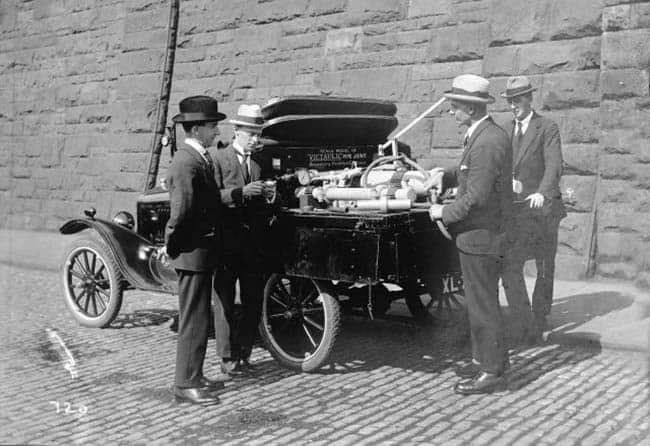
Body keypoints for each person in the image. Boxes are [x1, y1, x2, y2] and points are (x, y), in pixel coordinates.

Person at [428, 74, 512, 395]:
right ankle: (493, 363)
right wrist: (446, 174)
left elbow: (477, 197)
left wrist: (442, 212)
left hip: (481, 238)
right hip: (482, 237)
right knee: (483, 303)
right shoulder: (485, 134)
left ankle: (491, 372)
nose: (451, 111)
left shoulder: (487, 141)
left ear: (472, 108)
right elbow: (471, 171)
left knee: (482, 307)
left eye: (455, 106)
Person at [164, 95, 227, 405]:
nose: (217, 131)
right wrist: (171, 245)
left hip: (201, 252)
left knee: (201, 318)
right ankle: (184, 383)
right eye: (213, 126)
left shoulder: (198, 157)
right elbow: (181, 212)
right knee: (192, 319)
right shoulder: (185, 161)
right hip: (192, 252)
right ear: (197, 129)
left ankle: (195, 375)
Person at [499, 76, 566, 343]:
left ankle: (540, 316)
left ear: (529, 99)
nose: (513, 106)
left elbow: (554, 165)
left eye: (517, 100)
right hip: (517, 211)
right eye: (509, 101)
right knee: (511, 262)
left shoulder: (547, 127)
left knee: (544, 264)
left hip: (543, 208)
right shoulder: (505, 129)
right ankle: (522, 317)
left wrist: (541, 191)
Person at [210, 104, 272, 375]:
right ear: (237, 131)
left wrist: (270, 195)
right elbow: (211, 197)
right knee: (224, 300)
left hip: (252, 245)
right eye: (251, 134)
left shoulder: (258, 163)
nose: (256, 139)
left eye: (259, 134)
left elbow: (265, 200)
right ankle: (227, 357)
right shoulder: (218, 158)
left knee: (253, 300)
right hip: (226, 243)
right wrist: (241, 193)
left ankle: (244, 353)